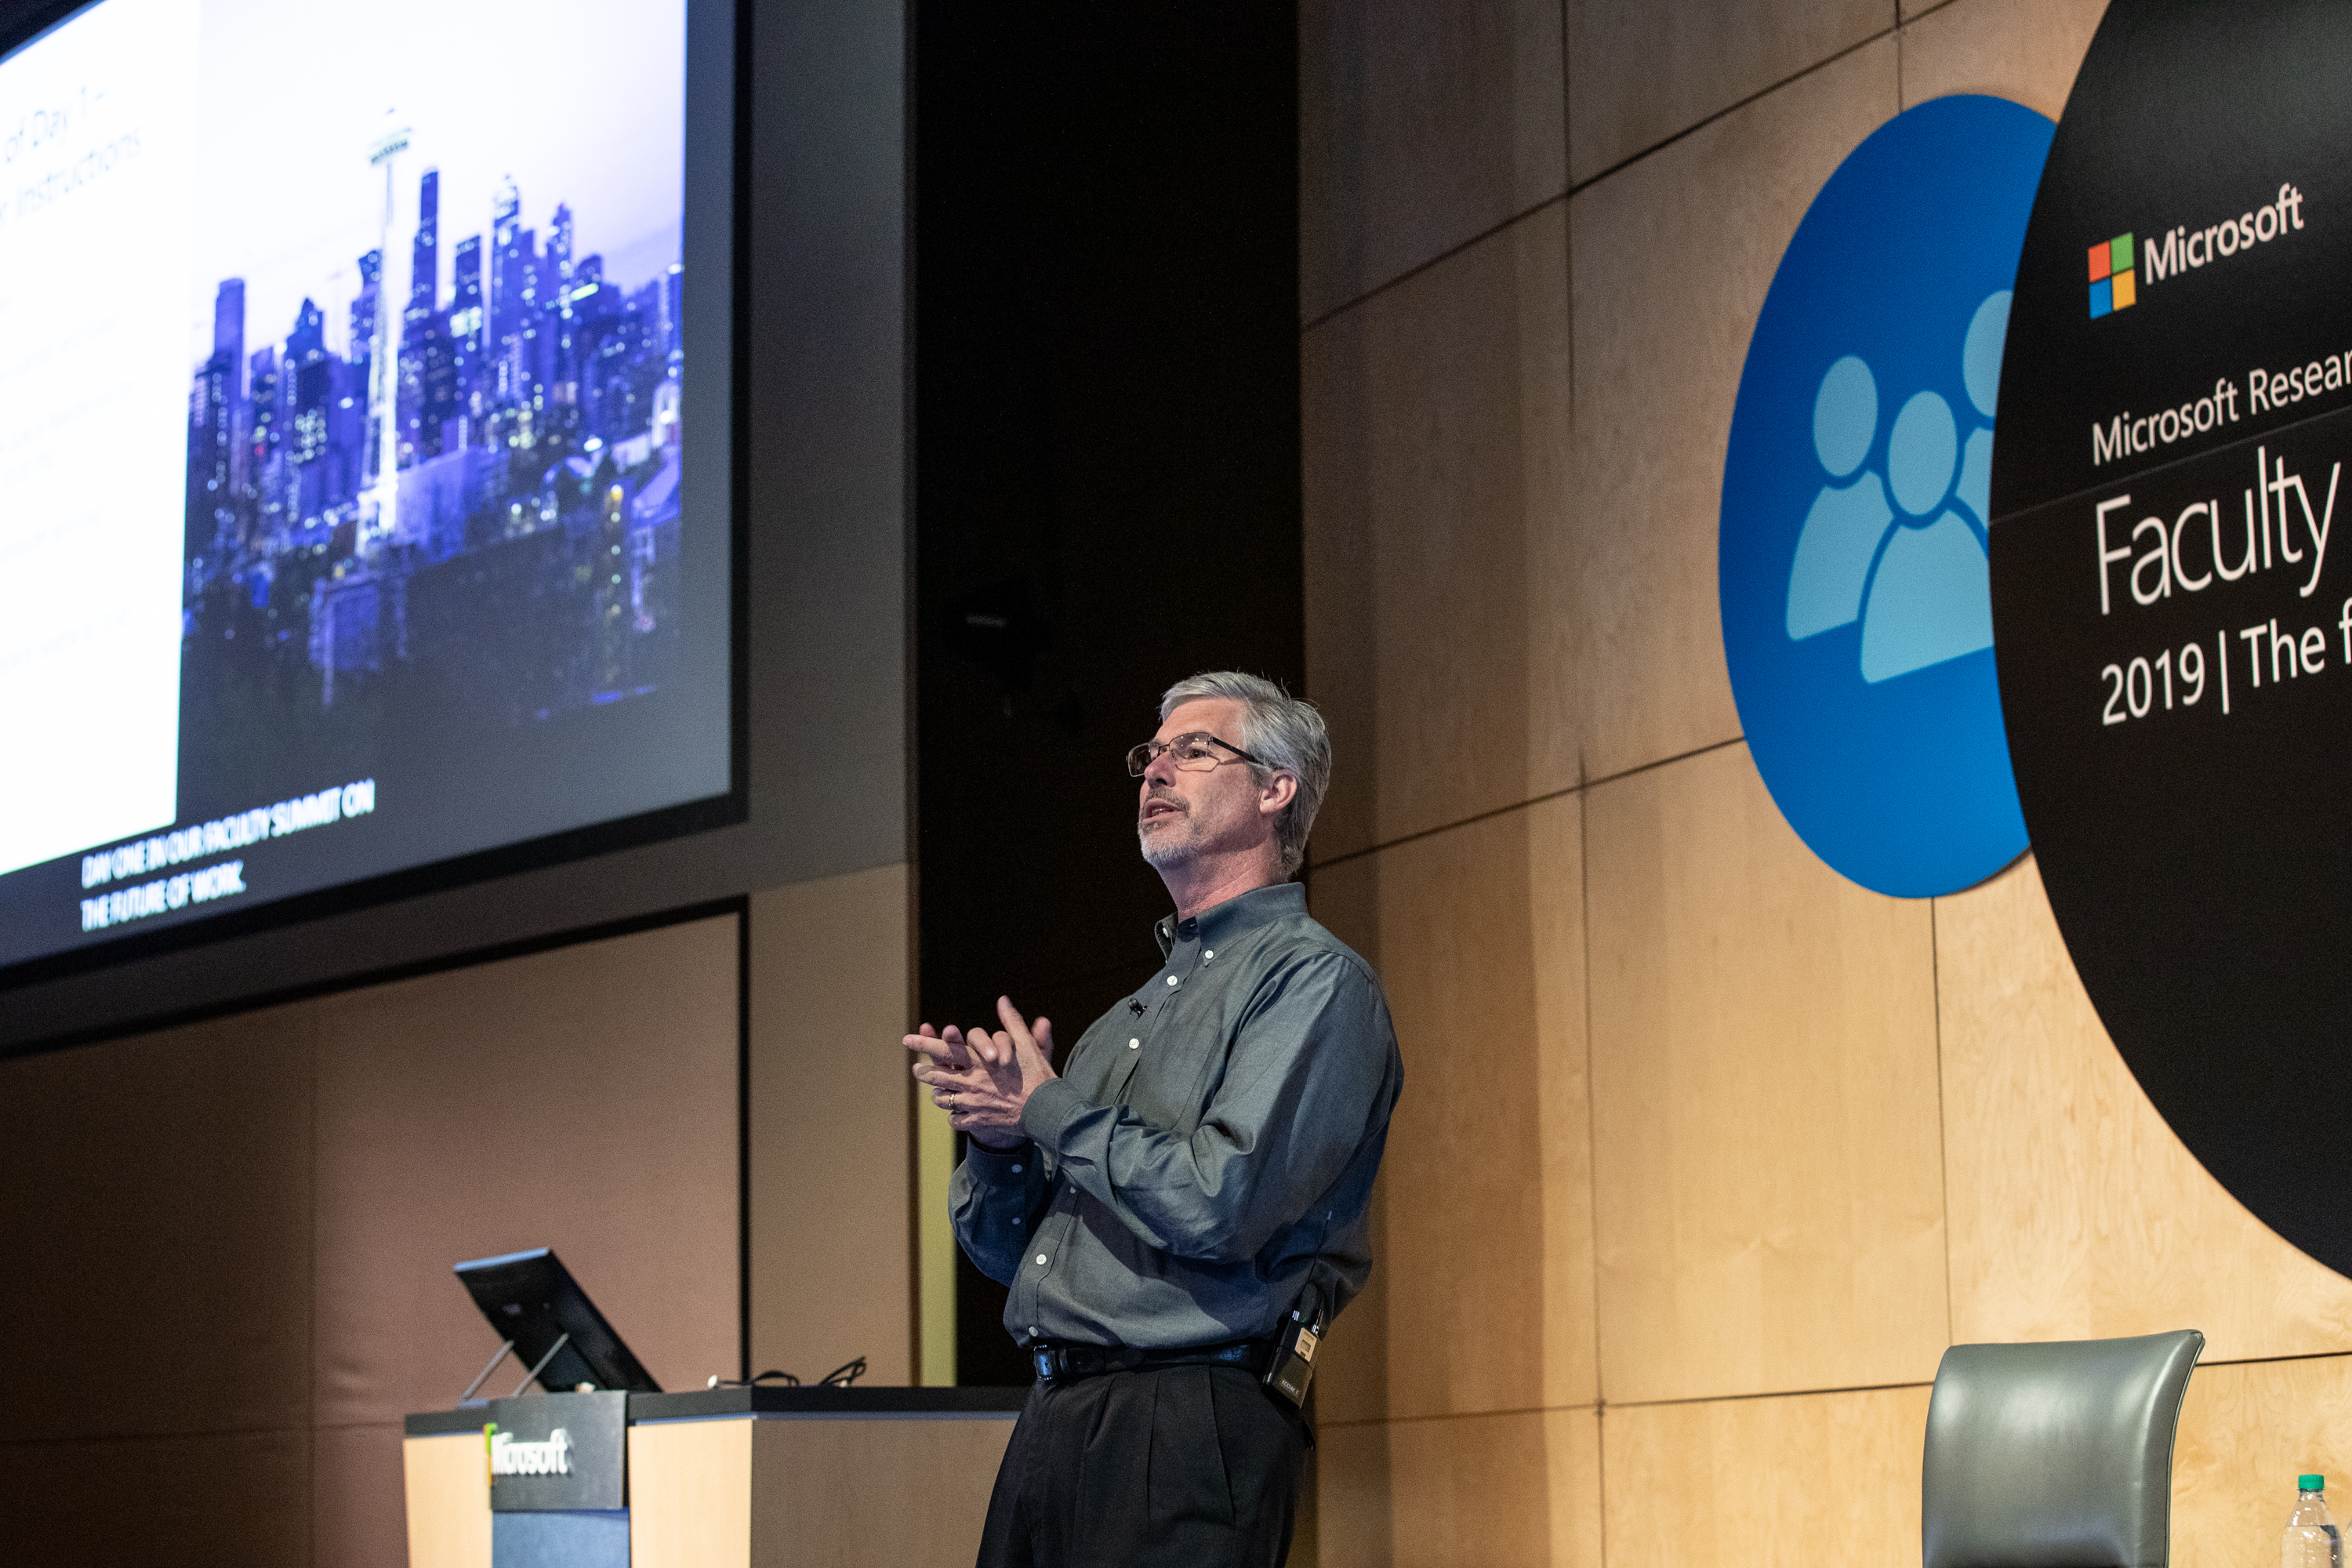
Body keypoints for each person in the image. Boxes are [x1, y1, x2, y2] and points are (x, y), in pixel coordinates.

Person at [904, 670, 1403, 1568]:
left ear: (1275, 789)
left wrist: (1047, 1105)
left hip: (1187, 1417)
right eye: (1152, 753)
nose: (1156, 770)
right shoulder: (1117, 1026)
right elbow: (1015, 1255)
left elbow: (1221, 1202)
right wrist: (1000, 1141)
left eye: (1195, 750)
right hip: (1055, 1416)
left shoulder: (1314, 983)